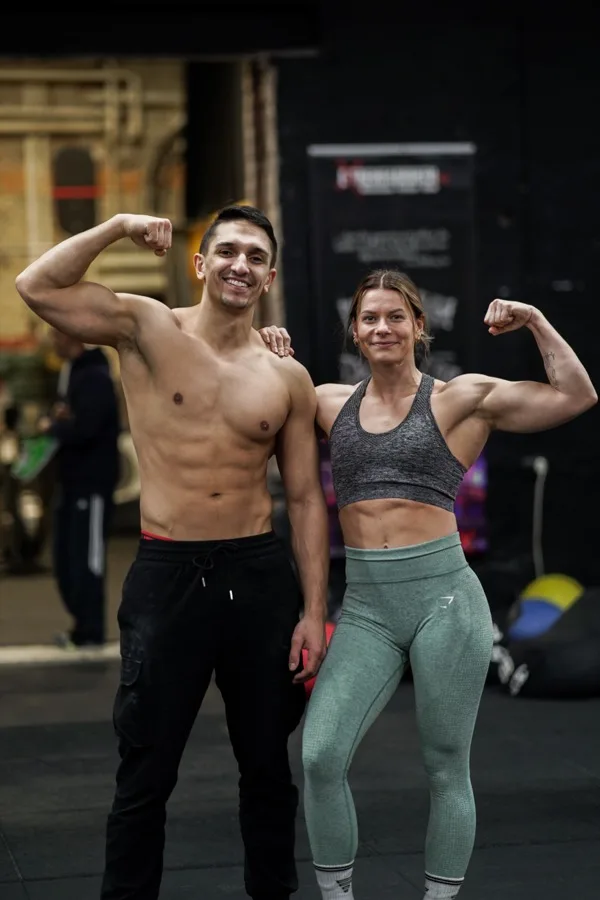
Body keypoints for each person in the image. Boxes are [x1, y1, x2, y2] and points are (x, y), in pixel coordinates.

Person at [15, 205, 329, 900]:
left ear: (270, 276)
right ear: (200, 264)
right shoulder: (146, 326)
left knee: (266, 768)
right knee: (146, 771)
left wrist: (314, 611)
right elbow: (36, 286)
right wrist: (118, 227)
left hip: (256, 575)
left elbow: (306, 499)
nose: (239, 264)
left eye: (254, 255)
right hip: (167, 575)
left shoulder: (288, 376)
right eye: (226, 251)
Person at [259, 268, 597, 900]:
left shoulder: (460, 397)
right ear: (354, 333)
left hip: (445, 600)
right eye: (369, 319)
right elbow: (256, 398)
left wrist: (536, 322)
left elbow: (575, 396)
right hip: (365, 606)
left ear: (419, 327)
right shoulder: (328, 400)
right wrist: (269, 350)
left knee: (445, 767)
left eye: (395, 317)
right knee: (319, 755)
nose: (381, 328)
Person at [37, 328, 120, 648]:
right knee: (66, 559)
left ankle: (91, 631)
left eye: (55, 337)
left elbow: (86, 428)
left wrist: (55, 426)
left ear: (69, 338)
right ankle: (80, 626)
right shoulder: (72, 374)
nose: (52, 343)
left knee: (87, 559)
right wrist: (62, 420)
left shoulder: (95, 377)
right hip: (71, 483)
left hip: (92, 485)